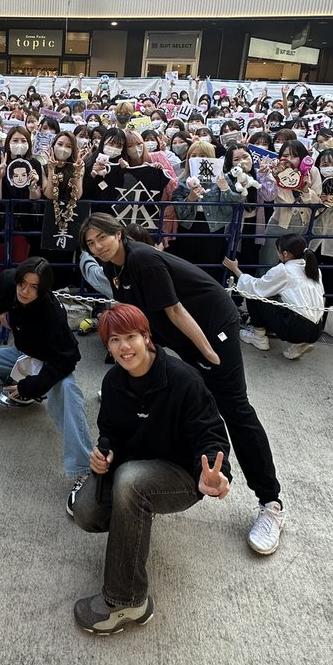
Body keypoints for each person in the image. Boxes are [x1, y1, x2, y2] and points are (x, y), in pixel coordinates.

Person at [81, 213, 285, 555]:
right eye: (90, 243)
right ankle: (151, 487)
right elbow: (140, 321)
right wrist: (129, 380)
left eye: (102, 237)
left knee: (235, 410)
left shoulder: (142, 258)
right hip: (183, 338)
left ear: (118, 233)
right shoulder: (113, 266)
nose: (98, 246)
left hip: (211, 330)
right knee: (173, 393)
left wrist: (208, 353)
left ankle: (271, 502)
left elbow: (175, 310)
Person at [71, 303, 231, 635]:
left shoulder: (183, 379)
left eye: (131, 336)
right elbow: (109, 430)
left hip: (181, 474)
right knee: (86, 512)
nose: (124, 347)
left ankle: (127, 601)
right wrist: (104, 454)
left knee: (131, 483)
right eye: (114, 340)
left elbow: (210, 434)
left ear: (146, 337)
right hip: (133, 467)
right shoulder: (114, 381)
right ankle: (137, 516)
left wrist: (216, 474)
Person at [0, 257, 93, 512]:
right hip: (23, 354)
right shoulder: (11, 283)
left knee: (69, 393)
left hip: (51, 361)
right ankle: (22, 390)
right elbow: (6, 279)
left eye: (33, 287)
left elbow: (68, 359)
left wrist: (32, 386)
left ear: (42, 289)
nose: (25, 291)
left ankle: (85, 471)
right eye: (22, 283)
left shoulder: (53, 313)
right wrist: (2, 308)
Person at [224, 235, 326, 360]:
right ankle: (297, 345)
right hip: (317, 330)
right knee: (276, 298)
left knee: (254, 295)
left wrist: (235, 269)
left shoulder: (284, 270)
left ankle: (258, 337)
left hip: (296, 328)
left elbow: (255, 288)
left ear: (285, 254)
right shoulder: (313, 269)